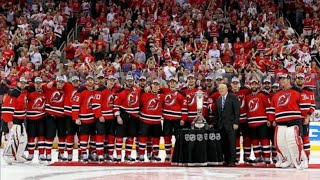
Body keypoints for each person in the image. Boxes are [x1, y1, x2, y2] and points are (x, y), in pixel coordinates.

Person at [268, 74, 309, 169]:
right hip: (280, 121)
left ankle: (303, 160)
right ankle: (287, 160)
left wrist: (303, 116)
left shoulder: (297, 91)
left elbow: (304, 105)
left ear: (289, 79)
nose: (281, 80)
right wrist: (271, 119)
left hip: (294, 120)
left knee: (294, 141)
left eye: (283, 78)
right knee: (281, 142)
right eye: (280, 79)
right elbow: (272, 108)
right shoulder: (276, 94)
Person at [214, 83, 240, 167]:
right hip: (221, 126)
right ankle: (226, 160)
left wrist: (236, 122)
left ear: (226, 89)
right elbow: (217, 114)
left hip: (231, 124)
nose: (221, 90)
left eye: (222, 88)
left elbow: (237, 111)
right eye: (219, 89)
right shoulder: (218, 100)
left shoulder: (233, 97)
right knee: (224, 143)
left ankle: (232, 160)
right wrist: (216, 124)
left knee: (231, 143)